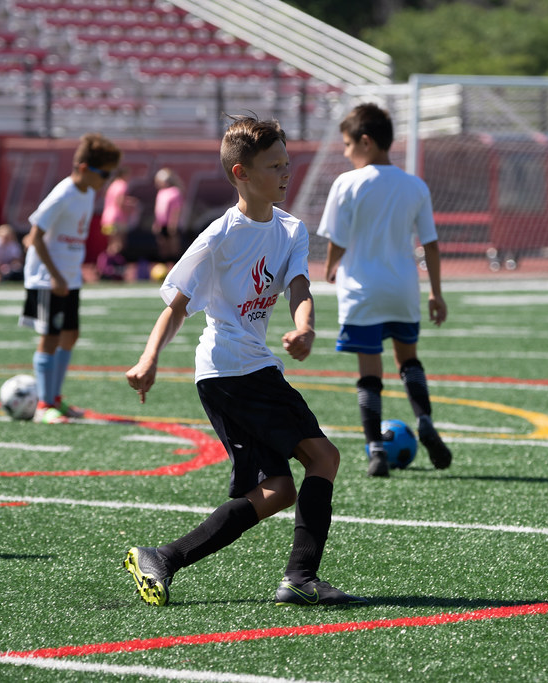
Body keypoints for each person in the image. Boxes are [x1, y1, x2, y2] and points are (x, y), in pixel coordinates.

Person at [123, 115, 366, 608]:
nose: (285, 173)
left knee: (278, 490)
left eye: (287, 163)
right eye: (274, 165)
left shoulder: (291, 228)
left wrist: (305, 325)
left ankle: (162, 558)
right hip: (233, 369)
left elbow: (300, 285)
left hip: (237, 373)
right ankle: (300, 578)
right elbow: (176, 307)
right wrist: (149, 358)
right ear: (242, 173)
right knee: (324, 458)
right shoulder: (219, 237)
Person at [316, 102, 453, 478]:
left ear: (365, 141)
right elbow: (431, 244)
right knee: (408, 361)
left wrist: (329, 268)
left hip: (362, 290)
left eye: (347, 145)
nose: (345, 153)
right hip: (403, 289)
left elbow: (337, 239)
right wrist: (435, 293)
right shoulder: (414, 185)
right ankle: (424, 419)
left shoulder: (347, 182)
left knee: (369, 373)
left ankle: (376, 448)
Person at [19, 133, 121, 424]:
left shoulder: (88, 194)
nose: (106, 180)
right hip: (47, 278)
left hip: (69, 277)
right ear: (85, 168)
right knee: (49, 338)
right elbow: (34, 237)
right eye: (104, 174)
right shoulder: (63, 193)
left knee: (70, 335)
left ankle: (56, 399)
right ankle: (43, 405)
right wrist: (54, 277)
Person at [152, 166, 184, 262]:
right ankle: (164, 265)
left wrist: (173, 224)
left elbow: (176, 209)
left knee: (173, 246)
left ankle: (173, 264)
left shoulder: (175, 192)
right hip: (162, 224)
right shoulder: (161, 192)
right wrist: (156, 223)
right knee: (163, 246)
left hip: (171, 224)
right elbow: (158, 209)